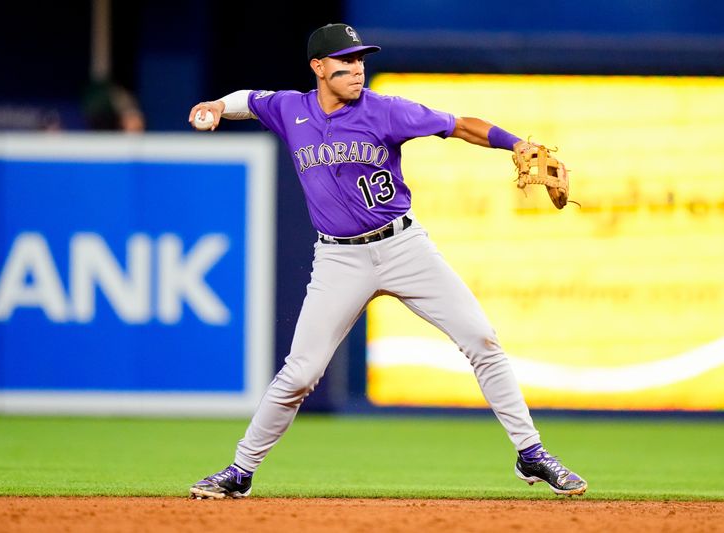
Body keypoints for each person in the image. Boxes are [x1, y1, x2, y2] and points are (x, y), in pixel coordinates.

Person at [187, 23, 587, 499]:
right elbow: (249, 100)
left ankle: (531, 453)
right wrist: (215, 106)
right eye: (345, 62)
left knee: (481, 339)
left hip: (404, 247)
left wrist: (517, 144)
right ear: (318, 67)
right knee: (300, 373)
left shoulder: (386, 110)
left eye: (360, 60)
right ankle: (240, 471)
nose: (357, 70)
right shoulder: (290, 109)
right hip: (338, 259)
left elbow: (460, 125)